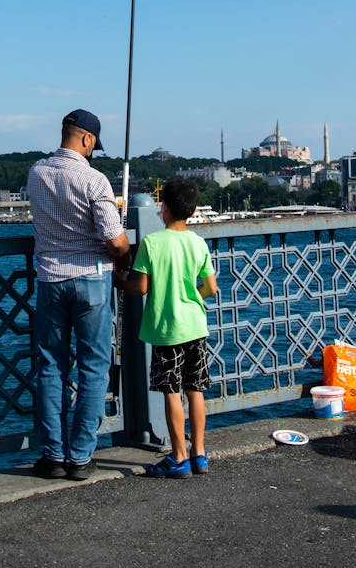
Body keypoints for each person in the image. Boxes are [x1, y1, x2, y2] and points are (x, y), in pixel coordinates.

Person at [27, 109, 130, 480]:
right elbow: (115, 241)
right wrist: (124, 257)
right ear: (87, 139)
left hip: (49, 280)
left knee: (50, 366)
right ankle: (81, 456)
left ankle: (53, 455)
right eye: (93, 145)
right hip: (90, 280)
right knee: (93, 367)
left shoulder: (36, 173)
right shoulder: (94, 180)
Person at [115, 178, 217, 478]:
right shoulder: (198, 242)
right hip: (195, 325)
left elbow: (141, 287)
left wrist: (121, 281)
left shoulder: (152, 243)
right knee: (195, 390)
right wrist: (190, 297)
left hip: (167, 329)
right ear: (193, 209)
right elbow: (210, 286)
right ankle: (199, 454)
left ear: (164, 208)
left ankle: (179, 456)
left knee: (172, 392)